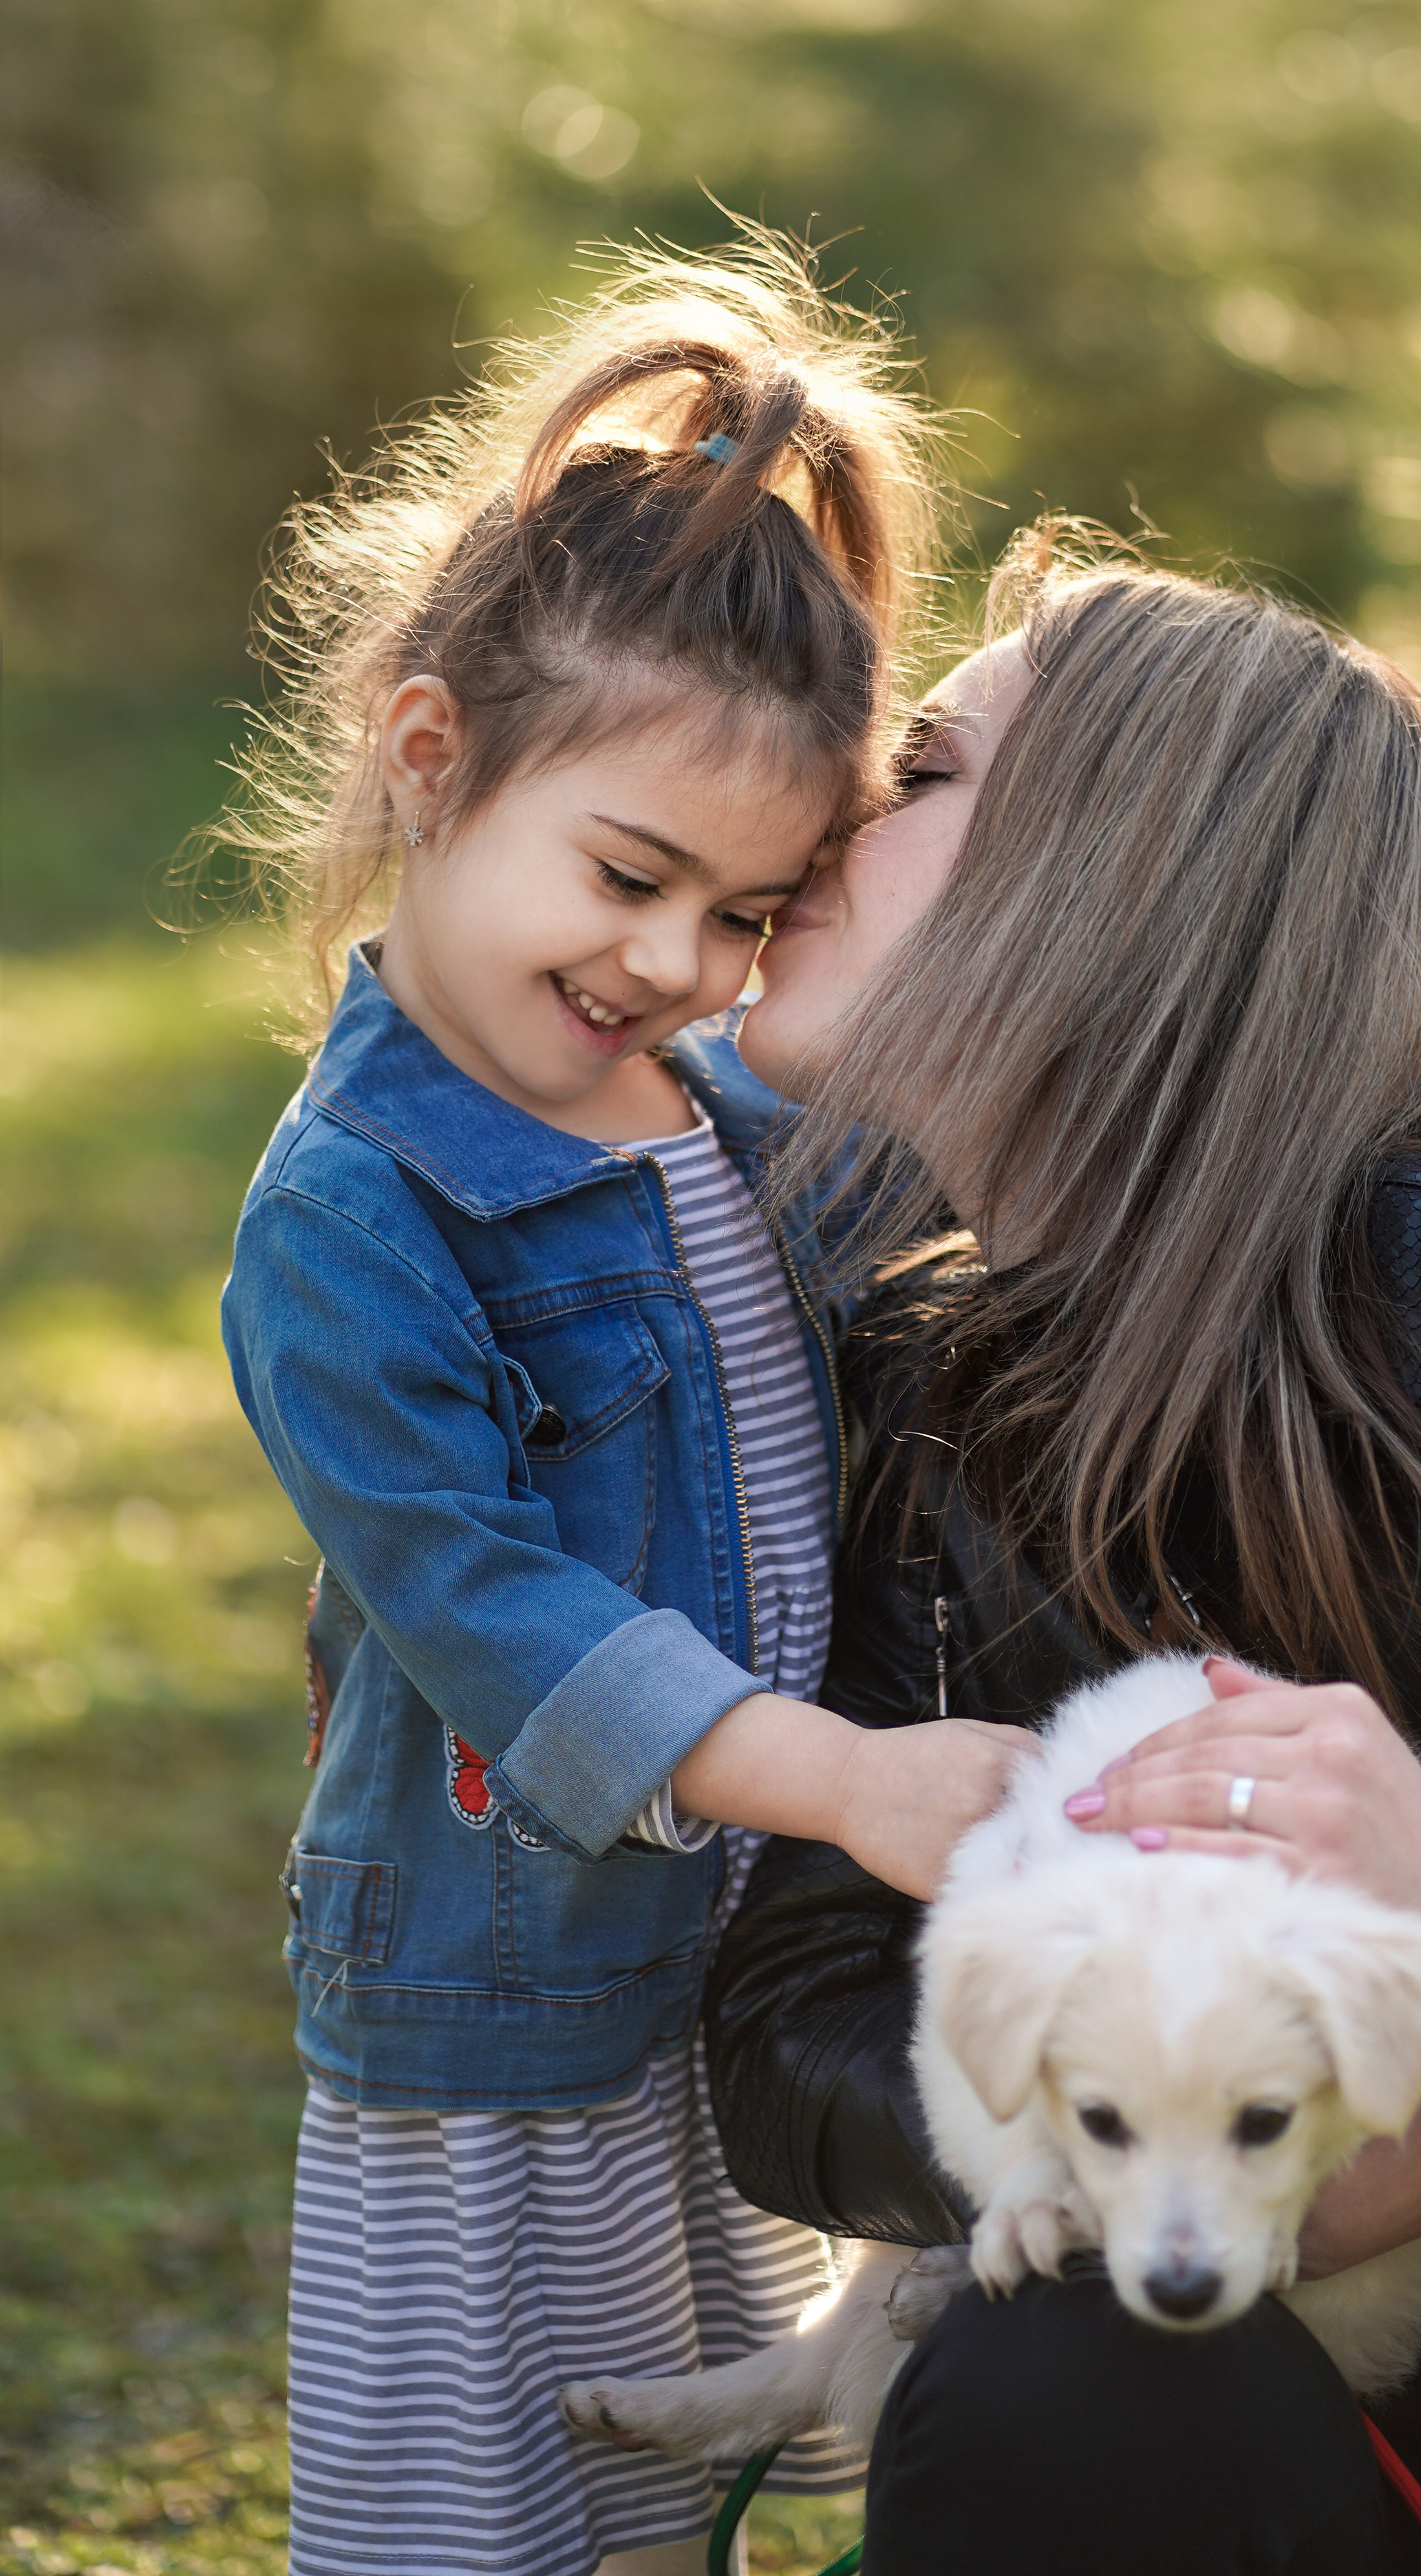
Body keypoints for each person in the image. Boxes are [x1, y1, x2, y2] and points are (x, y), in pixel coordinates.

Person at [708, 531, 1421, 2574]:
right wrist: (1164, 2139)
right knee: (1062, 2377)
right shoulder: (905, 1369)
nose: (829, 805)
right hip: (1280, 2399)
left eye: (923, 767)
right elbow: (785, 2019)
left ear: (1131, 879)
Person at [216, 244, 1032, 2576]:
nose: (677, 964)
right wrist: (858, 1783)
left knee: (665, 2487)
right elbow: (497, 1613)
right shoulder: (357, 1220)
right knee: (485, 2523)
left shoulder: (705, 1109)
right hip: (501, 1991)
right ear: (431, 757)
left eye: (752, 915)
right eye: (632, 877)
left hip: (715, 1949)